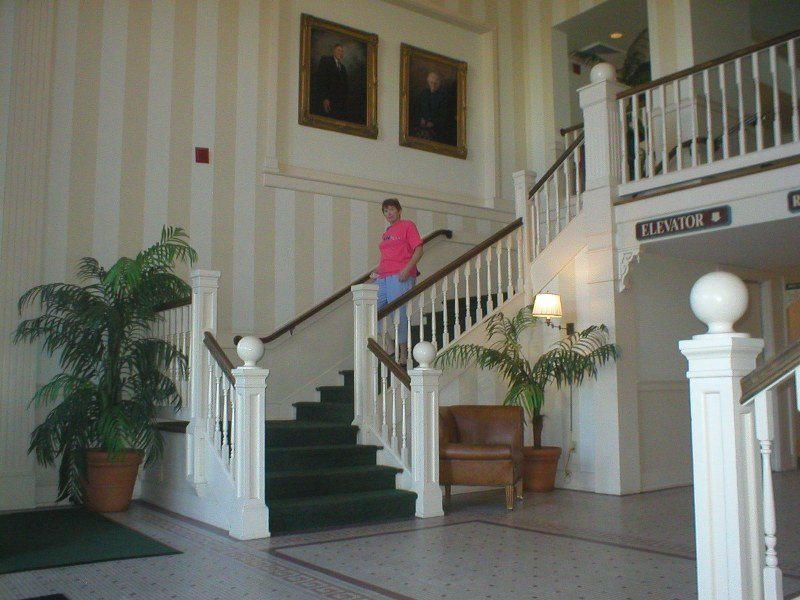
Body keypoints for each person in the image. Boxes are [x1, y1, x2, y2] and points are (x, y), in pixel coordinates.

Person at [370, 198, 423, 366]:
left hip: (400, 275)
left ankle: (403, 351)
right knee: (369, 307)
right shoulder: (386, 233)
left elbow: (419, 249)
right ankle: (389, 344)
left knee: (398, 313)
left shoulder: (408, 225)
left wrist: (407, 269)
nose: (389, 213)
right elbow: (386, 258)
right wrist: (376, 271)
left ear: (399, 210)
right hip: (384, 276)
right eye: (385, 211)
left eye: (392, 209)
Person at [416, 71, 454, 144]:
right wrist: (422, 118)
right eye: (431, 83)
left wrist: (433, 123)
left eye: (435, 83)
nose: (433, 85)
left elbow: (444, 115)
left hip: (437, 128)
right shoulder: (424, 93)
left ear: (439, 84)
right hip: (422, 125)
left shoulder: (443, 97)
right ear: (428, 82)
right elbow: (419, 109)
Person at [315, 43, 349, 120]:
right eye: (339, 50)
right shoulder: (326, 60)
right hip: (327, 100)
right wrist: (325, 98)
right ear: (334, 51)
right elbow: (321, 80)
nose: (341, 53)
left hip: (339, 103)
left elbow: (344, 86)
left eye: (342, 51)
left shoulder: (343, 68)